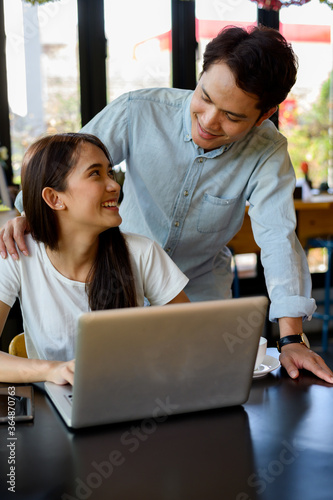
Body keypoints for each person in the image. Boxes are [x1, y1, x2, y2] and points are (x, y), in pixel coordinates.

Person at [1, 26, 333, 384]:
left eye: (232, 117)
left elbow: (278, 237)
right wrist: (28, 214)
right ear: (201, 75)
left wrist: (291, 338)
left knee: (200, 391)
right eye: (204, 97)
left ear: (264, 114)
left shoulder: (266, 152)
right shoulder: (138, 112)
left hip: (198, 290)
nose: (207, 121)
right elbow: (69, 167)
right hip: (117, 279)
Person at [0, 133, 189, 385]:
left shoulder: (142, 252)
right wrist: (53, 371)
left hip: (135, 397)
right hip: (56, 409)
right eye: (95, 174)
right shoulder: (17, 255)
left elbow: (193, 339)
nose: (114, 185)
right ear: (55, 198)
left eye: (110, 173)